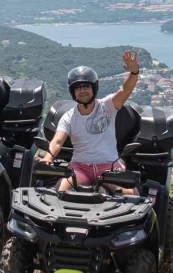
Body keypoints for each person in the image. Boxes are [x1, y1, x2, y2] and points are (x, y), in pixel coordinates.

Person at [38, 51, 141, 192]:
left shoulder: (107, 106)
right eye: (78, 88)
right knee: (58, 193)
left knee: (131, 194)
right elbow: (57, 141)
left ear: (94, 88)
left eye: (86, 86)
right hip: (80, 168)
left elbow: (125, 89)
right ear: (72, 92)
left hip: (109, 167)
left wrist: (134, 72)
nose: (83, 91)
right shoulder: (69, 117)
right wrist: (48, 157)